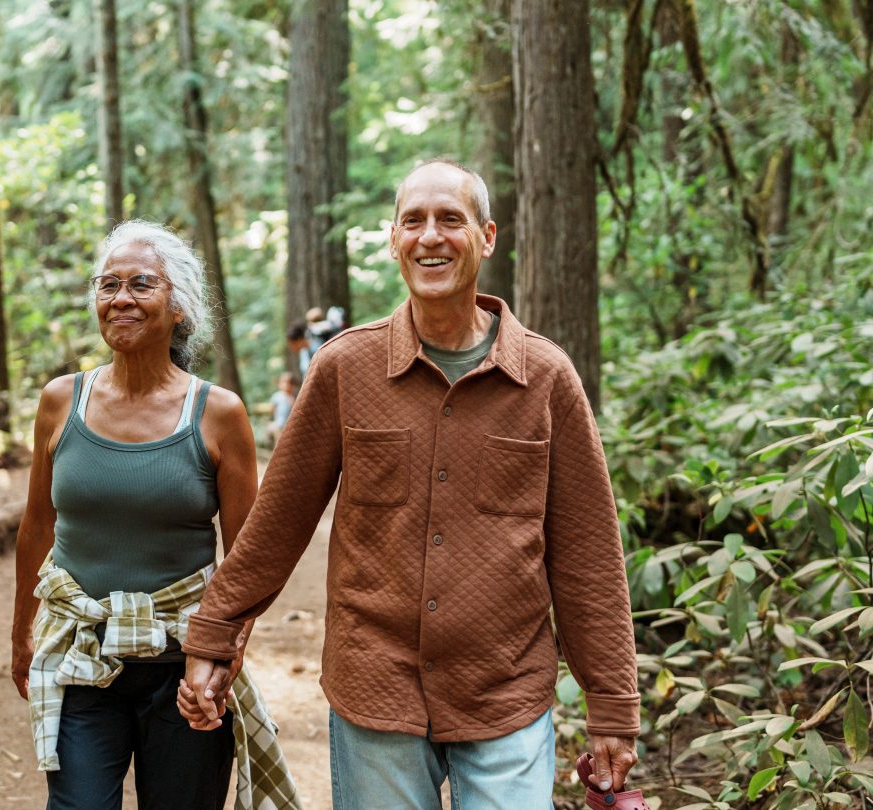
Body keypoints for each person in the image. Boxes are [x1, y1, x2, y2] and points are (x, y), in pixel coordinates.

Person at [178, 160, 641, 808]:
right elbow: (277, 523)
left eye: (450, 219)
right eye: (413, 221)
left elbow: (588, 553)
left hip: (506, 693)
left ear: (486, 236)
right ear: (394, 239)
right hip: (376, 689)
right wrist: (214, 635)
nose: (430, 236)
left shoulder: (546, 377)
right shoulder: (345, 367)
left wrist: (612, 705)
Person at [10, 220, 300, 810]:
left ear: (179, 308)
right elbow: (37, 526)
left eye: (141, 284)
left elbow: (247, 559)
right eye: (108, 284)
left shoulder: (218, 414)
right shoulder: (61, 401)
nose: (121, 298)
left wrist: (222, 659)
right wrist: (22, 634)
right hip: (82, 655)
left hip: (183, 664)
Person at [268, 372, 297, 447]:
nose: (287, 385)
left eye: (290, 383)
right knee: (278, 442)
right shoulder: (277, 396)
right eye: (284, 382)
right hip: (279, 424)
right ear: (279, 384)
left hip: (289, 426)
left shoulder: (293, 398)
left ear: (293, 386)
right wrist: (273, 421)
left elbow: (294, 411)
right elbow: (272, 409)